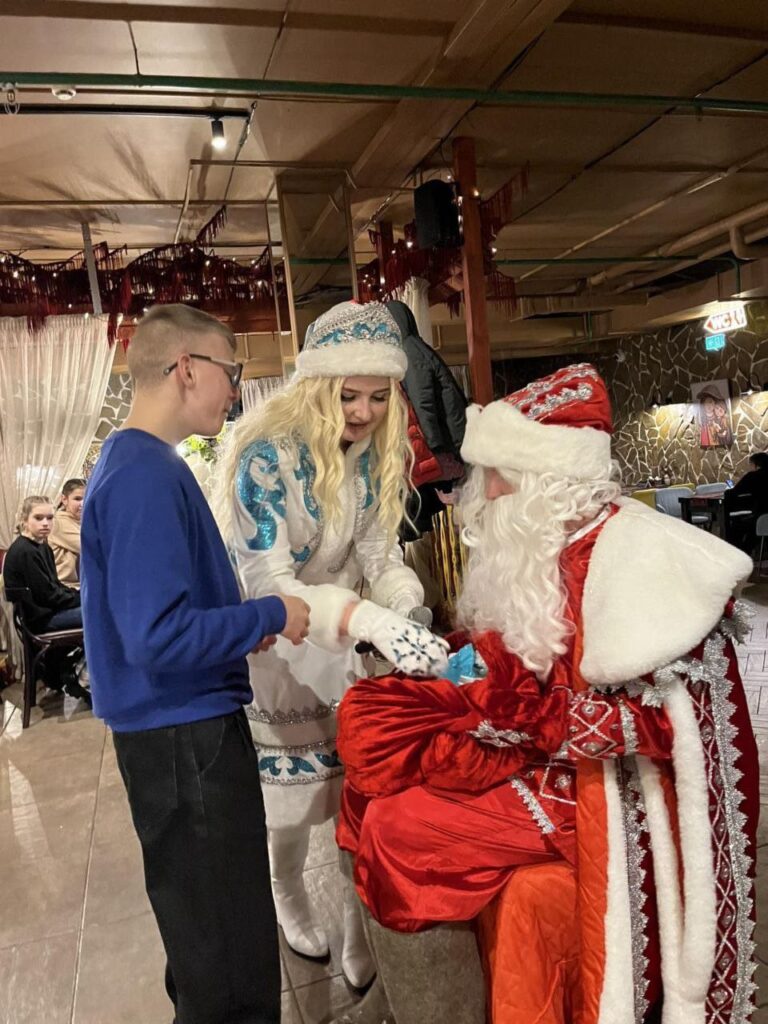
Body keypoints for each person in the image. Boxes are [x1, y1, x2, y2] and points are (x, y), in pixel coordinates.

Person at [334, 364, 759, 1024]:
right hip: (540, 757)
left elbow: (666, 724)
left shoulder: (637, 557)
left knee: (399, 829)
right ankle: (398, 998)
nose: (483, 492)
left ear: (547, 478)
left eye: (499, 473)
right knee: (366, 787)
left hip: (601, 791)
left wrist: (523, 718)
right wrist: (451, 667)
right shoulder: (547, 541)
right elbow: (522, 649)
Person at [80, 303, 311, 1024]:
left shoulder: (135, 464)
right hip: (186, 740)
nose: (235, 390)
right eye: (230, 372)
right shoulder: (145, 474)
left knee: (204, 939)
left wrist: (235, 628)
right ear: (186, 368)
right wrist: (267, 615)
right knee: (229, 962)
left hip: (174, 735)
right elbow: (158, 637)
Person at [214, 300, 449, 988]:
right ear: (317, 388)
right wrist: (372, 621)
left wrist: (406, 606)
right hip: (278, 647)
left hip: (346, 642)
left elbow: (379, 554)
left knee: (357, 795)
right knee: (291, 805)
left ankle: (355, 924)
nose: (365, 411)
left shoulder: (375, 454)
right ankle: (287, 893)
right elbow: (271, 582)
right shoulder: (264, 459)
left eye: (379, 396)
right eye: (349, 395)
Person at [3, 494, 89, 700]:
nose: (45, 523)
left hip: (47, 612)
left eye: (50, 518)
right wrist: (83, 600)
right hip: (40, 619)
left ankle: (68, 670)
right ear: (24, 520)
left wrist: (79, 595)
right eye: (38, 518)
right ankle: (79, 677)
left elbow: (55, 587)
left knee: (95, 609)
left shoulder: (42, 546)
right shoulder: (25, 551)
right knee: (100, 615)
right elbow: (49, 597)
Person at [726, 451, 768, 553]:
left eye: (751, 464)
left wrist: (727, 492)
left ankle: (739, 554)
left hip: (760, 517)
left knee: (736, 527)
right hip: (764, 518)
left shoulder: (753, 476)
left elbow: (734, 492)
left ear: (756, 464)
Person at [50, 477, 86, 587]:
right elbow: (90, 547)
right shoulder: (59, 522)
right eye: (77, 499)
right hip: (65, 586)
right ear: (64, 499)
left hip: (79, 586)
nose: (83, 503)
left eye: (87, 498)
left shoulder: (81, 521)